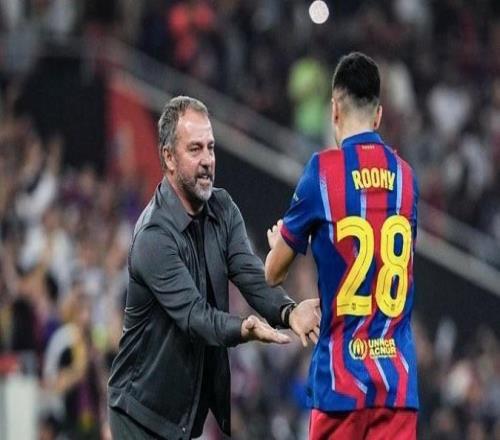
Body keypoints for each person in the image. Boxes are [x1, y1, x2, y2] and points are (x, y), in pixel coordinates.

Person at [107, 96, 320, 439]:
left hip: (182, 416)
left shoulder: (223, 208)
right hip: (140, 415)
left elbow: (251, 275)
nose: (207, 160)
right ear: (168, 157)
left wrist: (289, 311)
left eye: (210, 147)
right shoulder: (153, 236)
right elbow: (195, 317)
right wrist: (244, 329)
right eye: (195, 149)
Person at [265, 52, 419, 440]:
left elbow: (273, 273)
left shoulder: (323, 172)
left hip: (340, 385)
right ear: (379, 115)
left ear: (334, 109)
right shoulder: (406, 179)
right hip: (397, 387)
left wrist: (277, 244)